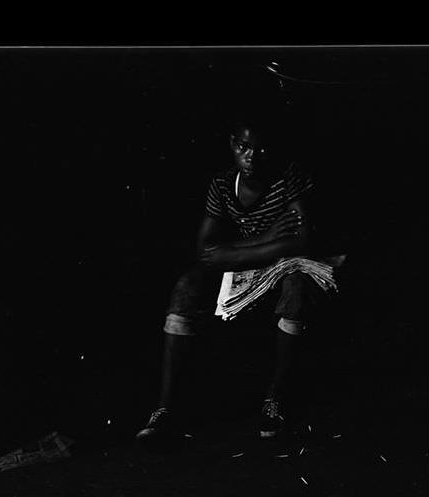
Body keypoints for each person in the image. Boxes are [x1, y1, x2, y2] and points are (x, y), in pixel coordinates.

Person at [136, 107, 325, 441]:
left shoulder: (286, 178)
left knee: (296, 286)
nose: (251, 156)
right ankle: (165, 410)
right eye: (243, 146)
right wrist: (267, 239)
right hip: (244, 268)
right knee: (185, 286)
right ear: (232, 144)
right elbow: (204, 253)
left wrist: (240, 249)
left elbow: (301, 239)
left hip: (279, 268)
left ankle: (275, 401)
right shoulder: (223, 185)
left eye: (260, 148)